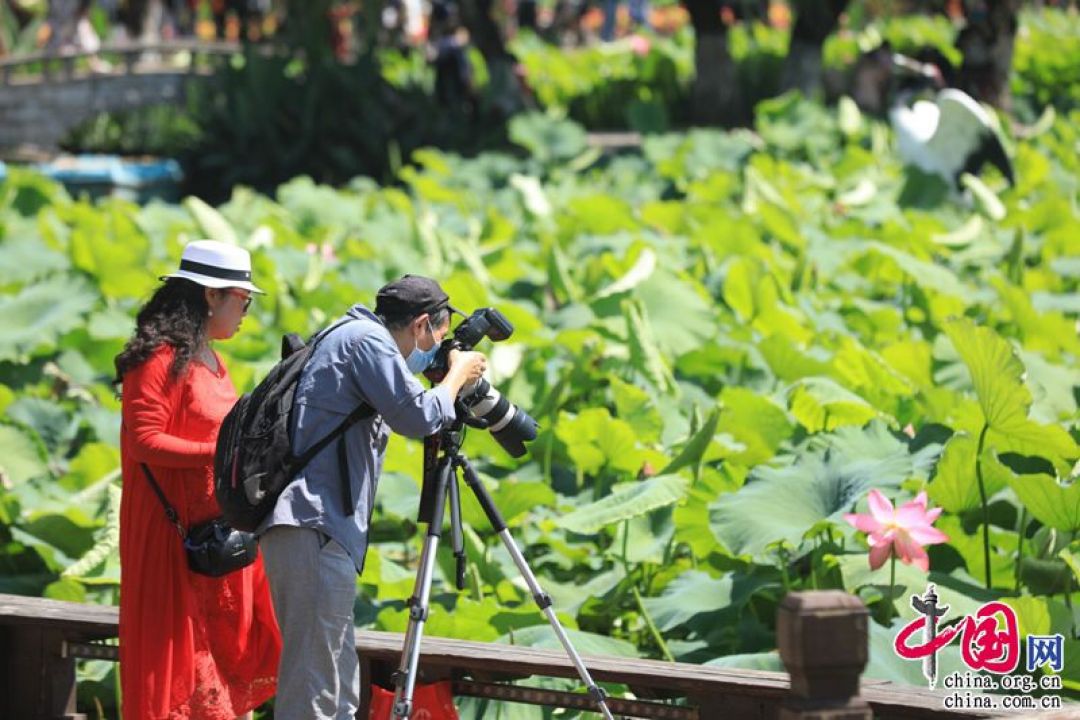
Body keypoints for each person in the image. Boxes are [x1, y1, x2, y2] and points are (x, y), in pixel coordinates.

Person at [258, 274, 487, 719]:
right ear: (421, 324)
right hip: (314, 524)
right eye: (438, 336)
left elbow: (397, 385)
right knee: (314, 686)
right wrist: (457, 376)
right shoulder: (366, 341)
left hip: (313, 527)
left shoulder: (349, 333)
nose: (437, 348)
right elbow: (418, 415)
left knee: (336, 681)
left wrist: (442, 371)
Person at [115, 240, 281, 720]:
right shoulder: (158, 359)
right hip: (172, 535)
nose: (246, 312)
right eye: (243, 300)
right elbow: (146, 442)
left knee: (222, 662)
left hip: (214, 534)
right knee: (181, 668)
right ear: (212, 296)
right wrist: (223, 454)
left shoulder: (209, 357)